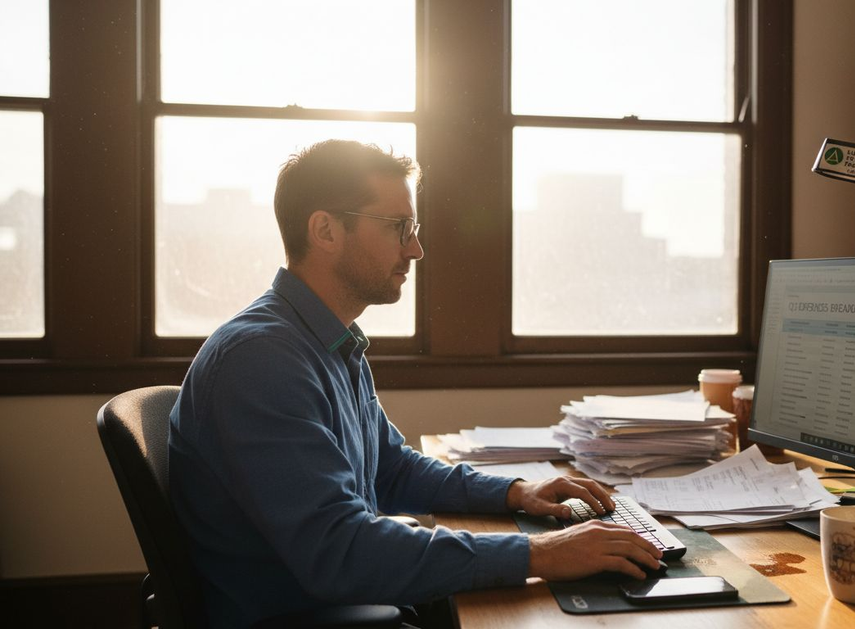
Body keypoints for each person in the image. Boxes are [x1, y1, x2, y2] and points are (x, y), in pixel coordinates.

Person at [168, 139, 662, 628]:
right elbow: (340, 552)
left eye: (414, 228)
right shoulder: (262, 360)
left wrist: (514, 493)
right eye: (398, 228)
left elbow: (391, 469)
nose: (416, 248)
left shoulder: (327, 340)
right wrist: (539, 554)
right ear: (325, 230)